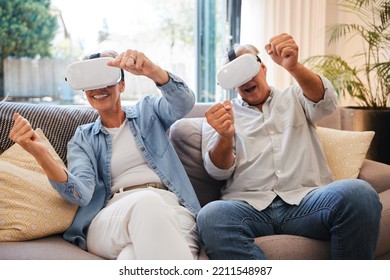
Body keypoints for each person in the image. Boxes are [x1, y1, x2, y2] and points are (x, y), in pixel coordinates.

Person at [197, 33, 382, 260]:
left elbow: (327, 102)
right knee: (210, 215)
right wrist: (225, 137)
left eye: (247, 67)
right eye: (235, 73)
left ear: (263, 68)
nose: (244, 78)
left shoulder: (296, 96)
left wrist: (294, 67)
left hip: (308, 203)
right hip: (249, 208)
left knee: (359, 193)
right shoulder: (220, 116)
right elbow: (218, 171)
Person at [9, 49, 201, 260]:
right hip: (113, 215)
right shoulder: (83, 138)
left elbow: (184, 103)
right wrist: (41, 155)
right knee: (147, 203)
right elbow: (79, 194)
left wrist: (153, 71)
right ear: (84, 91)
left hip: (171, 207)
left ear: (122, 84)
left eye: (106, 79)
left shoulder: (149, 111)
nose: (98, 88)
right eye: (91, 82)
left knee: (130, 258)